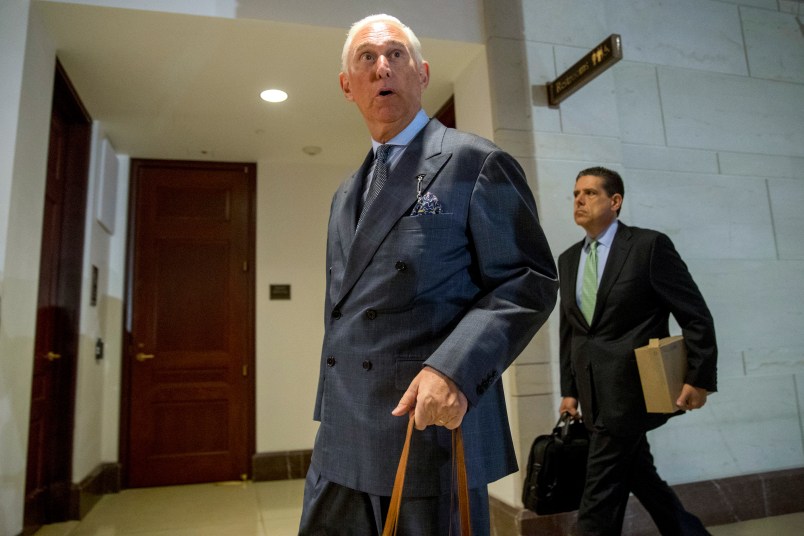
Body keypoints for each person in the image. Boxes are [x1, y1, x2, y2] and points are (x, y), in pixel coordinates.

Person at [298, 13, 558, 535]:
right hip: (341, 437)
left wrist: (454, 370)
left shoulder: (473, 163)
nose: (382, 68)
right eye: (366, 59)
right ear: (348, 86)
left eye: (396, 55)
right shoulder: (346, 192)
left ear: (421, 72)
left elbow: (527, 281)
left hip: (426, 432)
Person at [558, 166, 718, 535]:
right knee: (640, 475)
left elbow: (695, 314)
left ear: (615, 201)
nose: (579, 200)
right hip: (592, 393)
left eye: (590, 193)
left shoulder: (648, 246)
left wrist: (699, 377)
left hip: (632, 392)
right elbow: (572, 332)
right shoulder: (568, 260)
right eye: (575, 194)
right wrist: (570, 389)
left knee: (598, 498)